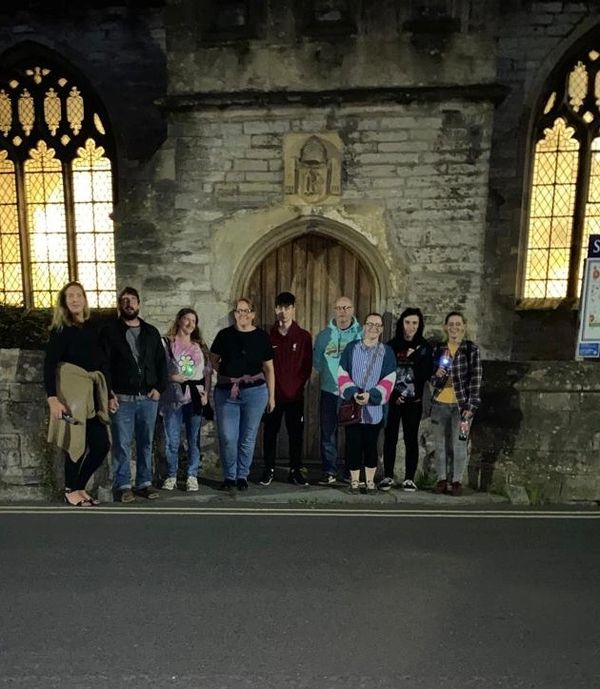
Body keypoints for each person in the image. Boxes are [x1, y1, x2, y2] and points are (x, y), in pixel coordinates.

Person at [44, 281, 111, 507]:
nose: (74, 299)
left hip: (92, 395)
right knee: (75, 442)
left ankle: (80, 486)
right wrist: (52, 398)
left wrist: (109, 395)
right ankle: (70, 489)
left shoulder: (93, 327)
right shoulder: (61, 330)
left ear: (84, 299)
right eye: (69, 296)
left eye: (78, 295)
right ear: (64, 302)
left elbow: (102, 362)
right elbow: (49, 365)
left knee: (101, 444)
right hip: (71, 396)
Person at [102, 287, 167, 503]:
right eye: (124, 300)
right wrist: (109, 393)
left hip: (148, 397)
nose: (128, 303)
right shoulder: (110, 332)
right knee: (121, 443)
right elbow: (105, 365)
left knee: (145, 442)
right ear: (120, 305)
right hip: (122, 397)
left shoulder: (151, 332)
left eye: (132, 300)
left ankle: (144, 483)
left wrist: (159, 387)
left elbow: (160, 363)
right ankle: (122, 485)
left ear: (138, 304)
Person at [210, 297, 275, 491]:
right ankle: (229, 476)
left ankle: (241, 476)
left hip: (255, 393)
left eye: (246, 311)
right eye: (239, 311)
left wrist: (272, 397)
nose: (242, 315)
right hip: (227, 393)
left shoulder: (262, 337)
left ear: (253, 315)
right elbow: (213, 359)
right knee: (228, 436)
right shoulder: (224, 335)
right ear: (234, 314)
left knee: (248, 436)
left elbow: (269, 368)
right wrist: (225, 373)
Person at [337, 313, 396, 494]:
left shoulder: (387, 352)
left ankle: (369, 481)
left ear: (382, 329)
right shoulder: (351, 348)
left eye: (378, 325)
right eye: (370, 324)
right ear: (364, 326)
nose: (373, 328)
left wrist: (372, 396)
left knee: (371, 446)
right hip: (354, 407)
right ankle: (355, 481)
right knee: (353, 445)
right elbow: (342, 373)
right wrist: (353, 393)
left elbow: (390, 377)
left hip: (374, 409)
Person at [260, 292, 312, 487]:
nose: (283, 312)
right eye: (280, 307)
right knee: (270, 433)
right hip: (272, 395)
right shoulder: (267, 336)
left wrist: (297, 387)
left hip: (295, 396)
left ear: (293, 309)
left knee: (296, 435)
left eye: (287, 307)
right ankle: (268, 469)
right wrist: (270, 392)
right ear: (275, 309)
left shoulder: (304, 336)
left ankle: (295, 470)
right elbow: (263, 366)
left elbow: (306, 368)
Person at [380, 308, 433, 492]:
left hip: (414, 401)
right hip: (394, 400)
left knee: (411, 438)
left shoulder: (425, 348)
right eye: (407, 322)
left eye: (414, 323)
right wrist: (395, 395)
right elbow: (386, 372)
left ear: (419, 325)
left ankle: (409, 478)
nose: (410, 327)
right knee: (390, 438)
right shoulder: (391, 346)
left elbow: (425, 374)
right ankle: (387, 475)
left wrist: (416, 357)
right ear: (402, 323)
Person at [430, 311, 482, 497]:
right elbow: (432, 378)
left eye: (458, 324)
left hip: (461, 406)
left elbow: (476, 379)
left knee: (460, 444)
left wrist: (471, 406)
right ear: (445, 327)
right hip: (439, 403)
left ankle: (457, 481)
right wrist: (437, 375)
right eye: (451, 324)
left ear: (464, 327)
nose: (454, 327)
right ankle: (442, 479)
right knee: (440, 444)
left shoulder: (470, 350)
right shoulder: (438, 349)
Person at [159, 308, 211, 492]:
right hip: (172, 398)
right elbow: (160, 369)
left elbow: (207, 372)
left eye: (193, 321)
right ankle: (172, 474)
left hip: (194, 398)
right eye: (186, 319)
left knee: (193, 439)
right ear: (179, 320)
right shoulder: (166, 344)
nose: (190, 323)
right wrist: (173, 378)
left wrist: (206, 393)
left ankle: (192, 475)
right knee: (172, 440)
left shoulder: (200, 346)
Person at [313, 296, 362, 485]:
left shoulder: (361, 334)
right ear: (335, 310)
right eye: (339, 308)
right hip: (329, 391)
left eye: (346, 307)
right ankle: (329, 472)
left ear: (352, 310)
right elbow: (317, 362)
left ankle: (352, 471)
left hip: (352, 392)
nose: (343, 312)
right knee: (328, 433)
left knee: (353, 434)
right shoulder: (324, 335)